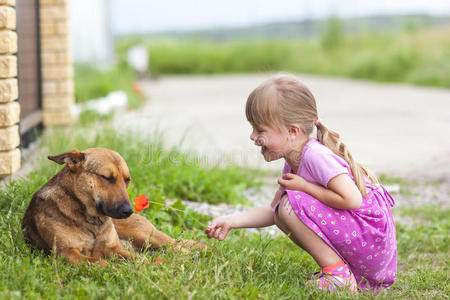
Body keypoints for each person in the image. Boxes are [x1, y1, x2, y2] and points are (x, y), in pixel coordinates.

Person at [205, 73, 397, 293]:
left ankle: (338, 276)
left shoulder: (315, 155)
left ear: (292, 131)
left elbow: (352, 199)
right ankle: (341, 272)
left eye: (260, 130)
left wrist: (305, 188)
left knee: (289, 204)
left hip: (371, 242)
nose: (252, 136)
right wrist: (231, 220)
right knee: (282, 209)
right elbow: (272, 210)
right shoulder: (295, 159)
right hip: (364, 244)